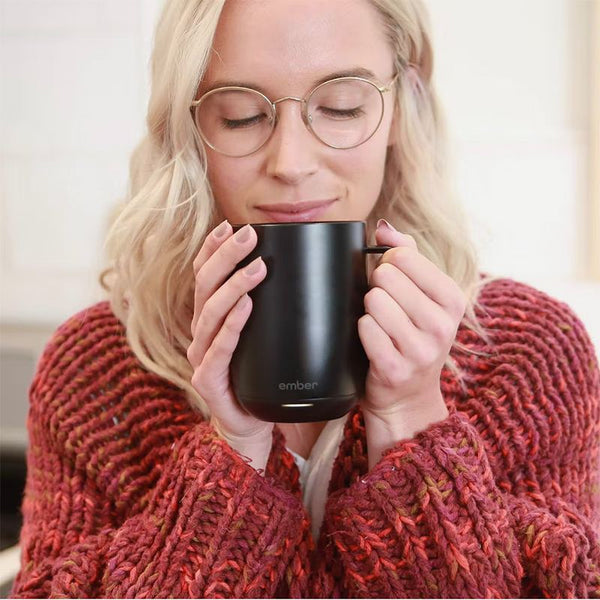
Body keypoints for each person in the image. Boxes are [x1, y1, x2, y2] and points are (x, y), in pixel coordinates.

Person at [10, 0, 599, 597]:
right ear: (191, 126)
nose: (290, 164)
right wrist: (230, 453)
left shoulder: (529, 354)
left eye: (341, 106)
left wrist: (411, 425)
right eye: (240, 116)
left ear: (400, 105)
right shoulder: (96, 370)